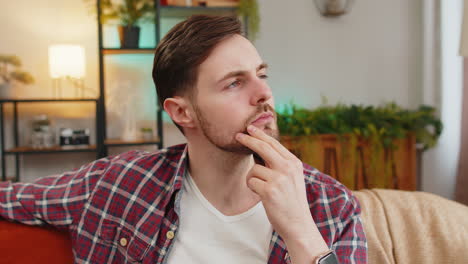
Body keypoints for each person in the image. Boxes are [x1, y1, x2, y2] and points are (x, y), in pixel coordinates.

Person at [0, 15, 366, 264]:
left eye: (261, 74)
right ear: (182, 112)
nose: (264, 93)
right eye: (235, 83)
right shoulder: (117, 185)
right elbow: (13, 198)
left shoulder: (330, 205)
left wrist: (302, 232)